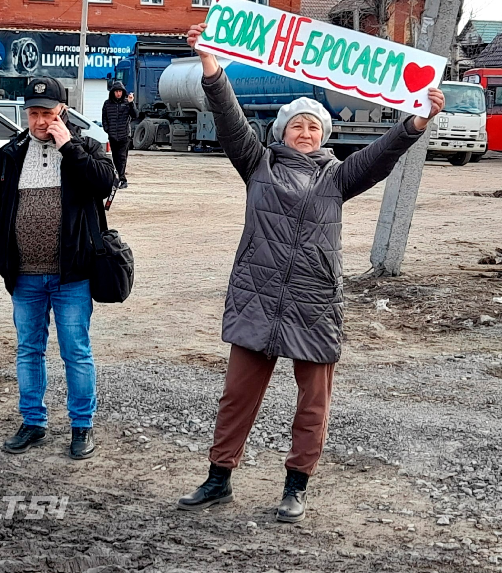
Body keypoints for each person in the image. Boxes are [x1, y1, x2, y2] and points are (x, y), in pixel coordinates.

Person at [176, 23, 445, 522]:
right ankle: (218, 480)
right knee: (236, 397)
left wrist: (415, 122)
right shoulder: (257, 164)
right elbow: (230, 119)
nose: (305, 132)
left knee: (313, 405)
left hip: (314, 303)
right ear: (281, 131)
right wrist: (210, 64)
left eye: (314, 127)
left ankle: (296, 487)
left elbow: (382, 157)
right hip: (257, 298)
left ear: (325, 135)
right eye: (297, 125)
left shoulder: (338, 176)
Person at [0, 77, 118, 460]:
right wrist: (1, 250)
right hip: (24, 275)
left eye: (48, 113)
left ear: (63, 112)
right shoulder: (10, 153)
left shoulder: (84, 146)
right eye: (34, 113)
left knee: (76, 350)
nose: (40, 121)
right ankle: (33, 422)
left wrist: (67, 146)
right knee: (28, 350)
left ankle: (81, 426)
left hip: (72, 275)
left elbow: (106, 183)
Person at [101, 81, 138, 189]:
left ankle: (122, 179)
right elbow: (104, 118)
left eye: (120, 91)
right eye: (116, 91)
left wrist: (131, 103)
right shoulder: (107, 104)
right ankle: (118, 178)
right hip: (112, 136)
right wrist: (107, 129)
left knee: (122, 158)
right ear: (113, 92)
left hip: (124, 136)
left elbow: (135, 115)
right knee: (115, 157)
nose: (118, 93)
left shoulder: (127, 103)